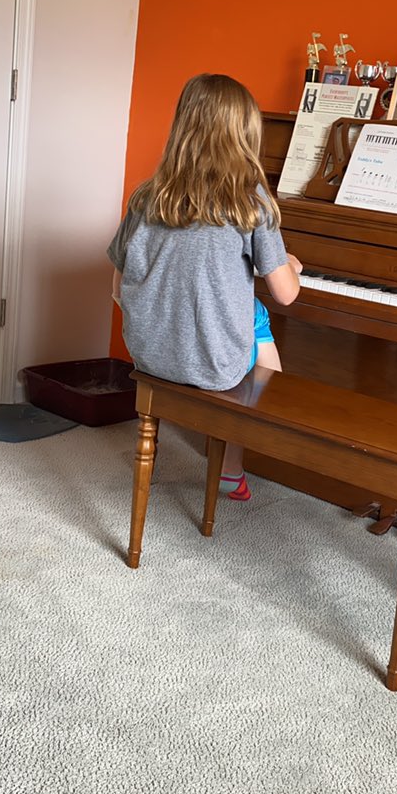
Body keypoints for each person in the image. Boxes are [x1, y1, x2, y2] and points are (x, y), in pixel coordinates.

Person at [108, 73, 302, 502]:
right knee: (263, 332)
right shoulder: (251, 201)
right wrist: (290, 264)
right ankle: (232, 467)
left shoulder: (147, 196)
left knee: (237, 308)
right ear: (246, 135)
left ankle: (152, 443)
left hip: (148, 353)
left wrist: (165, 312)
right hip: (214, 365)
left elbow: (118, 284)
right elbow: (286, 293)